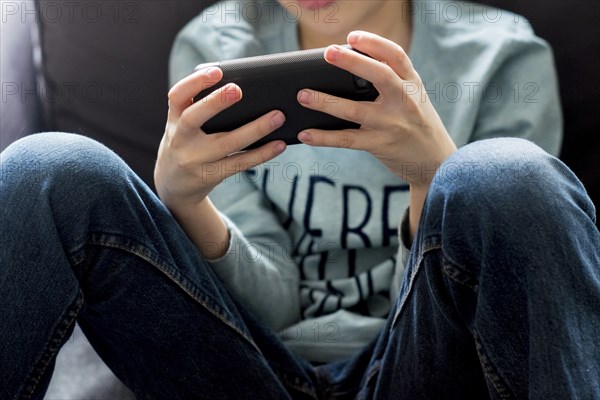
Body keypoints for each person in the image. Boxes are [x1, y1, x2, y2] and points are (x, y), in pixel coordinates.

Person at [1, 0, 599, 398]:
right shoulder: (217, 45)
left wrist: (431, 174)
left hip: (423, 361)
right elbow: (276, 307)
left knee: (509, 175)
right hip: (242, 363)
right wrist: (184, 204)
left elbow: (501, 295)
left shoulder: (503, 55)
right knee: (46, 167)